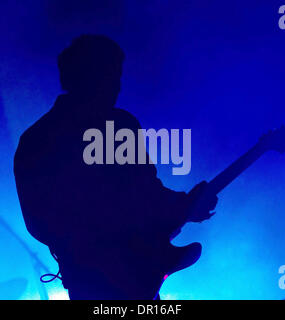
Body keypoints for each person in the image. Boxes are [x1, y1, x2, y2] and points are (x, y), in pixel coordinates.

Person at [13, 34, 218, 299]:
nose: (116, 87)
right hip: (100, 279)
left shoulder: (115, 125)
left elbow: (147, 192)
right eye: (108, 76)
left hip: (119, 276)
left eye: (117, 77)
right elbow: (43, 221)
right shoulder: (43, 140)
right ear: (83, 78)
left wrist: (184, 205)